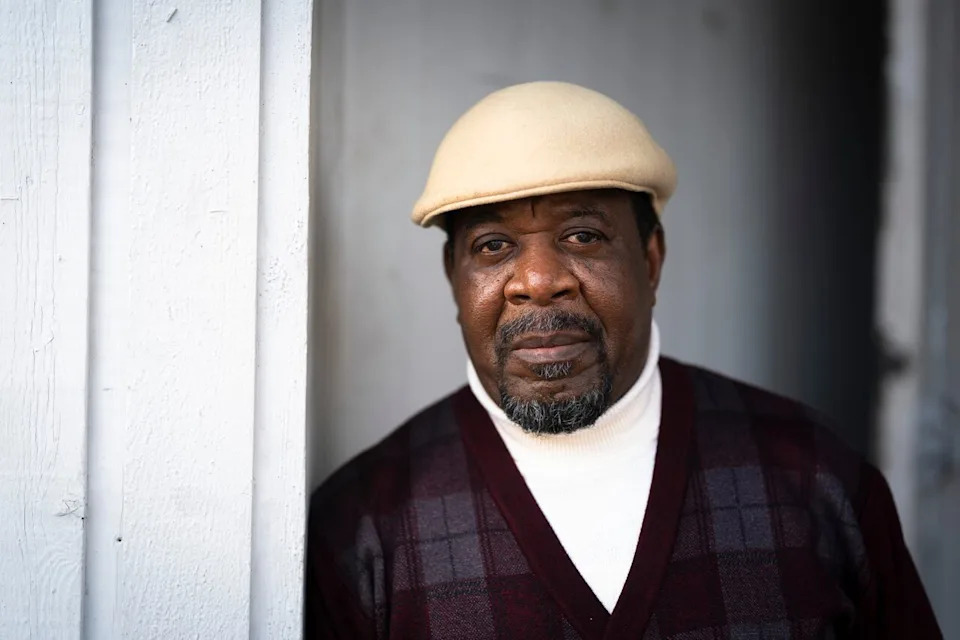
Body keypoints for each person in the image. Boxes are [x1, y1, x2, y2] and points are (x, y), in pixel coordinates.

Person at [304, 81, 940, 639]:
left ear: (651, 259)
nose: (538, 279)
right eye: (493, 245)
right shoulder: (363, 526)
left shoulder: (815, 475)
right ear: (454, 277)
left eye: (583, 236)